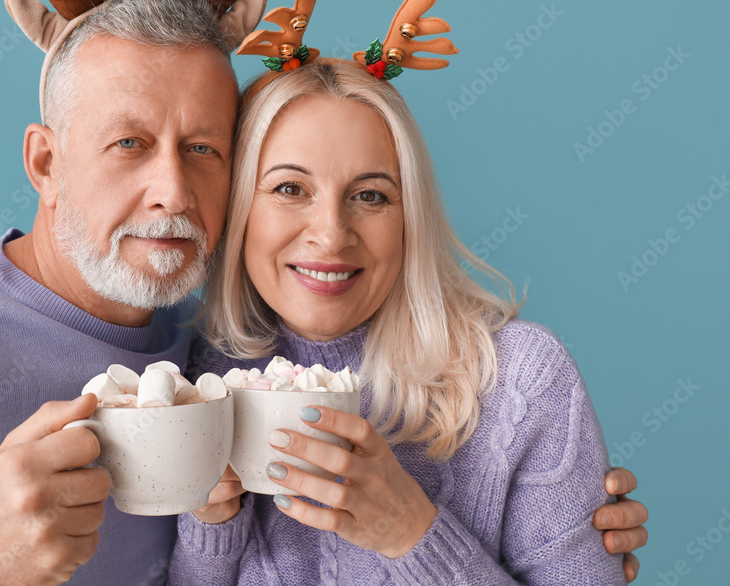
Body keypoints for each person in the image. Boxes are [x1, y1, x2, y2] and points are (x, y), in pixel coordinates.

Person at [0, 0, 646, 586]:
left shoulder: (213, 353)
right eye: (130, 143)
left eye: (205, 149)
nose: (174, 193)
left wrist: (544, 525)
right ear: (46, 162)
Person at [168, 51, 645, 583]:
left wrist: (411, 534)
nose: (331, 233)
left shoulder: (524, 383)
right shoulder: (195, 378)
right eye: (289, 189)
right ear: (239, 210)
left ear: (408, 219)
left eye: (371, 196)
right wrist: (212, 525)